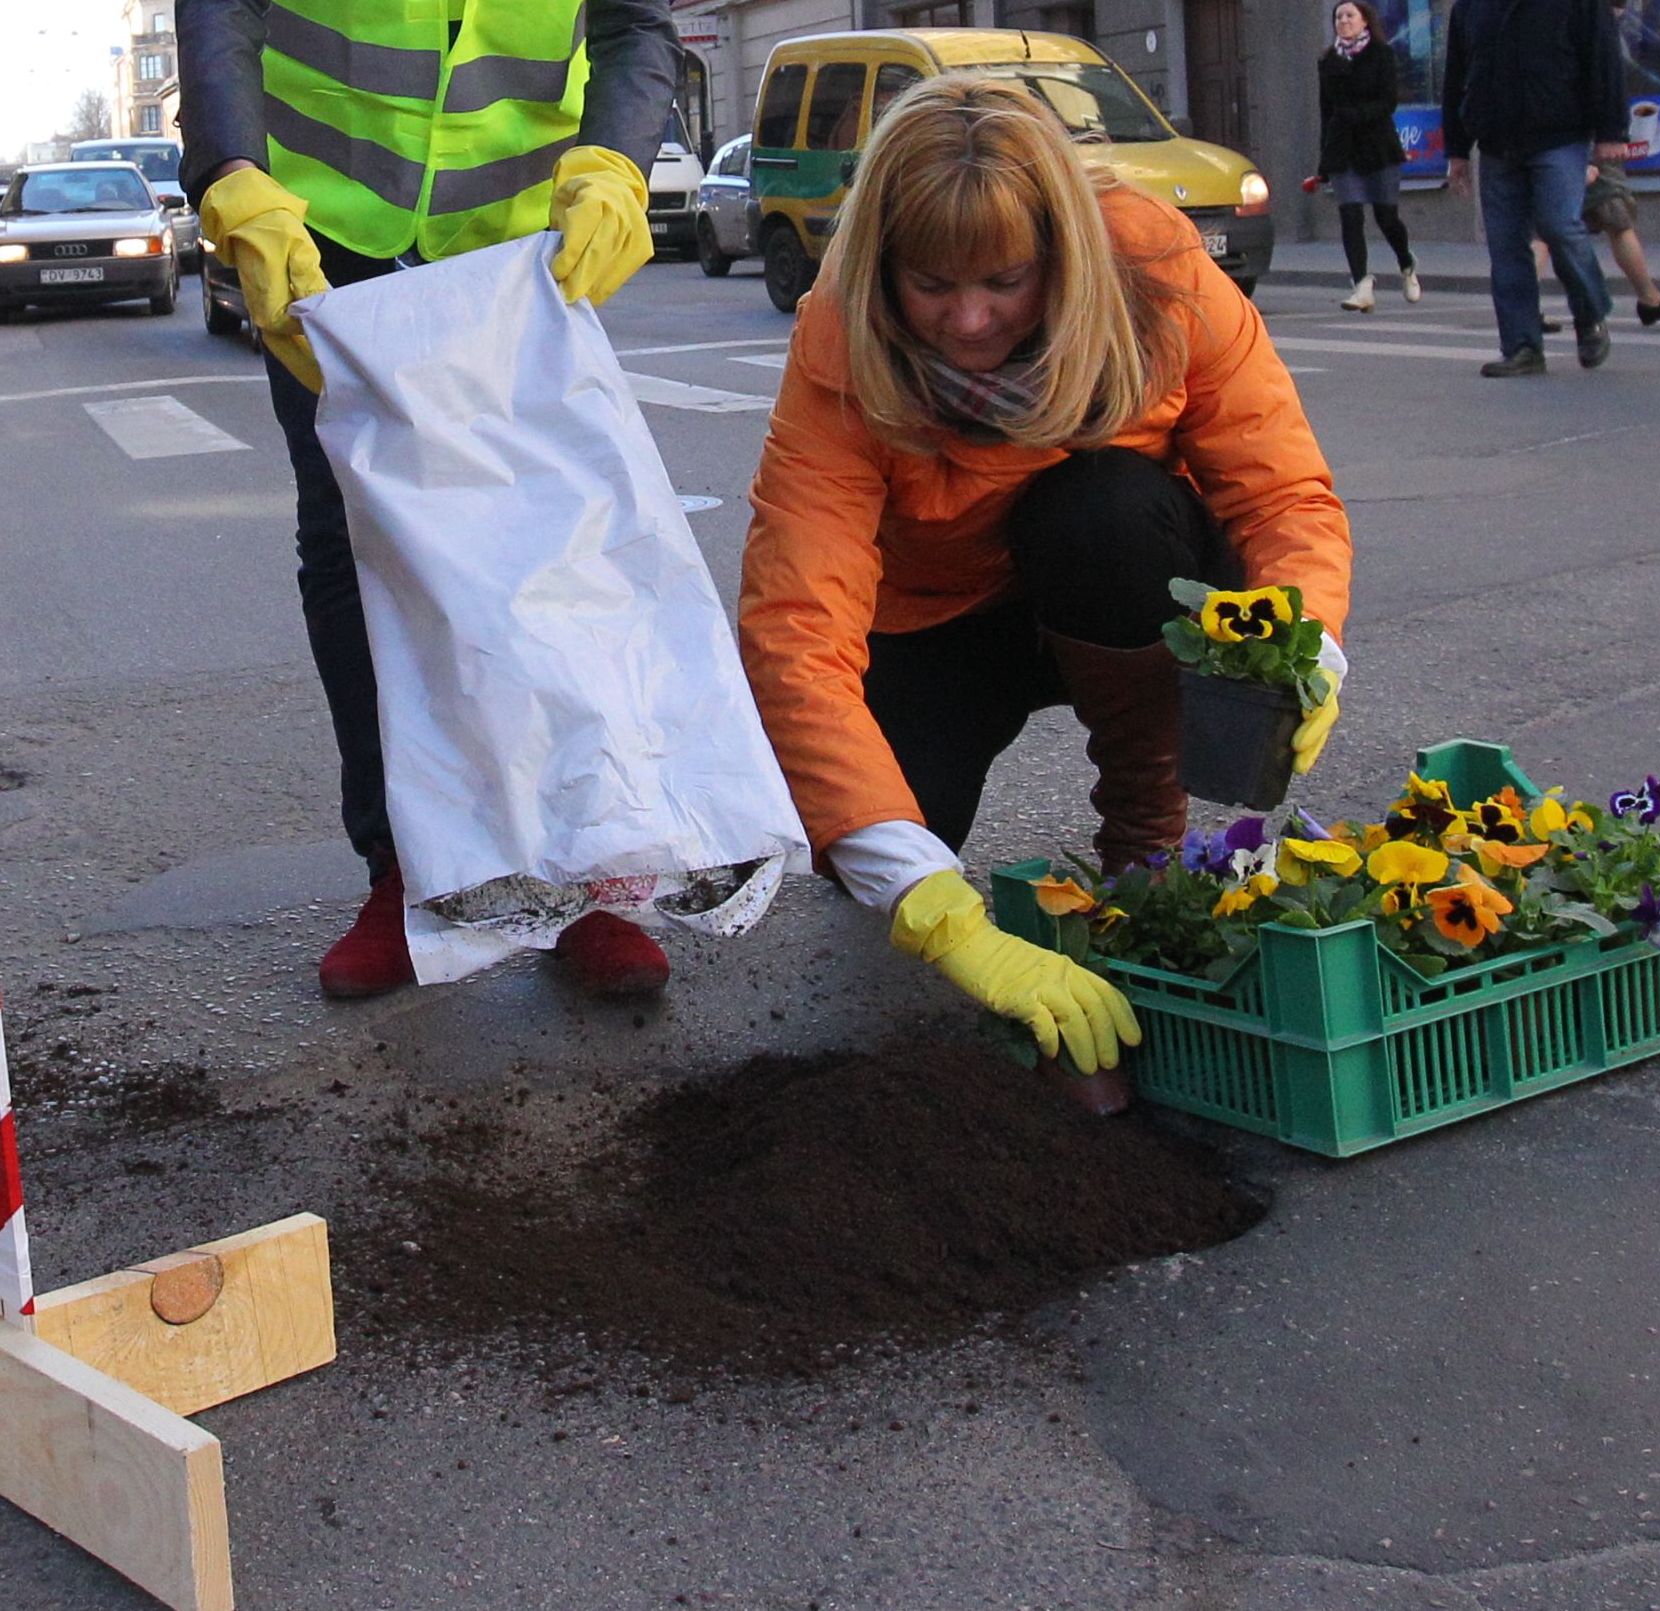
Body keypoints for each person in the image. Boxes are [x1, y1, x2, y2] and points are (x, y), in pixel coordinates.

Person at [738, 76, 1353, 1078]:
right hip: (943, 613)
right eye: (932, 287)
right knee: (879, 845)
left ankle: (1144, 842)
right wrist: (933, 907)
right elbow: (794, 626)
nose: (970, 321)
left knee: (1099, 506)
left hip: (1122, 566)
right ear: (884, 267)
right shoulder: (838, 335)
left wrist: (1307, 641)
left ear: (1059, 254)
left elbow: (1282, 495)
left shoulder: (1150, 266)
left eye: (1004, 281)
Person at [174, 1, 682, 1000]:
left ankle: (581, 877)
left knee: (545, 556)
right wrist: (231, 169)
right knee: (353, 553)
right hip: (319, 230)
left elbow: (638, 28)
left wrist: (615, 161)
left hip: (516, 236)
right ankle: (408, 876)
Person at [1442, 0, 1629, 377]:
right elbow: (1457, 76)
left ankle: (1590, 314)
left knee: (1559, 225)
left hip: (1559, 134)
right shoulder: (1470, 7)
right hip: (1497, 142)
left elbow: (1604, 57)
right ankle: (1522, 346)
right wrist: (1457, 151)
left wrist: (1611, 130)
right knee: (1506, 246)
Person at [1313, 0, 1420, 312]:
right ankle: (1361, 284)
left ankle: (1406, 262)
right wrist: (1324, 159)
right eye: (1338, 17)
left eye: (1349, 15)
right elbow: (1325, 111)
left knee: (1386, 217)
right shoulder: (1329, 60)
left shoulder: (1381, 55)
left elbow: (1389, 101)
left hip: (1378, 146)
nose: (1343, 21)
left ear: (1364, 21)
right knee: (1350, 215)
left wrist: (1356, 115)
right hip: (1343, 148)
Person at [1581, 155, 1660, 326]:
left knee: (1544, 227)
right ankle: (1649, 298)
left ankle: (1527, 307)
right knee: (1617, 218)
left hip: (1542, 145)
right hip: (1582, 146)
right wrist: (1612, 134)